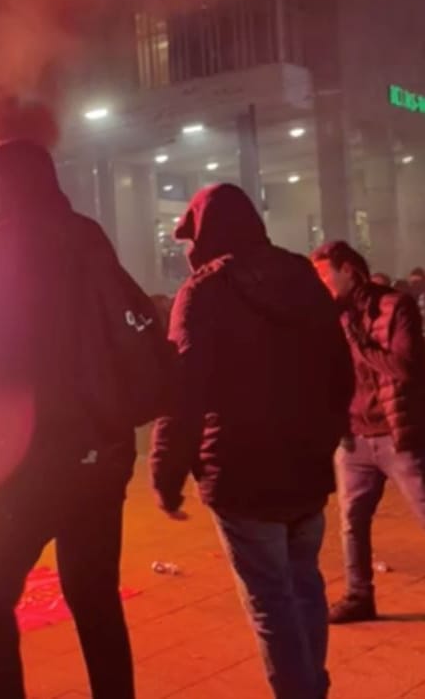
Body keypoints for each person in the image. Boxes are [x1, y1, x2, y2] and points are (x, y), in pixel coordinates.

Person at [0, 140, 156, 699]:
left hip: (36, 457)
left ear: (4, 187)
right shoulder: (85, 233)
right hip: (103, 452)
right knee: (94, 596)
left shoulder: (4, 243)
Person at [151, 184, 354, 699]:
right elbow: (340, 369)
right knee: (304, 584)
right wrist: (324, 435)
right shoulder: (302, 279)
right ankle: (313, 686)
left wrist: (166, 472)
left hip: (240, 472)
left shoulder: (201, 293)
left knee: (271, 600)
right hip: (305, 466)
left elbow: (184, 392)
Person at [310, 241, 425, 624]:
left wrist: (358, 342)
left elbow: (407, 367)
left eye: (326, 275)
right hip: (354, 435)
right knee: (352, 522)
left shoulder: (396, 306)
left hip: (397, 433)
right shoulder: (331, 316)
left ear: (348, 270)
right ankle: (360, 596)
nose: (322, 283)